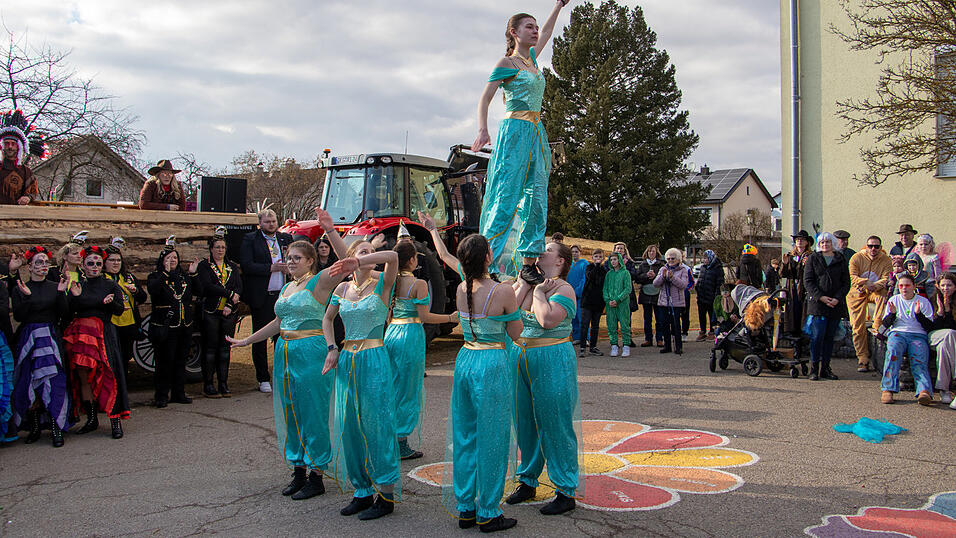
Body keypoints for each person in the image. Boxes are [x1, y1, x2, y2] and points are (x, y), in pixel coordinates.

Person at [228, 231, 351, 502]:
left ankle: (316, 474)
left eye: (297, 258)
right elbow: (277, 322)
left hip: (310, 351)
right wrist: (248, 339)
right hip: (285, 352)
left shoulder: (318, 282)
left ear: (310, 261)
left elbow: (349, 262)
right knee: (291, 411)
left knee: (312, 412)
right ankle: (298, 469)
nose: (291, 261)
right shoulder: (287, 287)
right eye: (288, 257)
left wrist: (330, 230)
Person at [471, 2, 571, 283]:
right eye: (529, 27)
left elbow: (549, 32)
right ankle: (485, 261)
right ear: (514, 32)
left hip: (537, 132)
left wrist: (558, 5)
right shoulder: (507, 64)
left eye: (536, 27)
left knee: (536, 197)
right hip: (514, 131)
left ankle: (528, 261)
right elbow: (485, 98)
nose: (536, 31)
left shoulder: (532, 61)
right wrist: (482, 129)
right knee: (506, 195)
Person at [438, 233, 522, 532]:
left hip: (466, 359)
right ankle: (488, 510)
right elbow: (516, 332)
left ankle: (466, 508)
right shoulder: (502, 290)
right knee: (493, 436)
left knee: (465, 434)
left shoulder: (462, 287)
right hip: (491, 362)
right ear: (487, 257)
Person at [322, 240, 401, 521]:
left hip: (374, 358)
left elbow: (393, 256)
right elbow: (327, 319)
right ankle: (362, 490)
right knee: (349, 425)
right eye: (363, 251)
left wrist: (363, 259)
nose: (369, 255)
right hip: (347, 360)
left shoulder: (383, 285)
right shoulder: (342, 289)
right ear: (351, 256)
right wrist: (332, 348)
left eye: (371, 251)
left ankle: (386, 495)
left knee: (377, 424)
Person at [507, 241, 579, 515]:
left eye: (548, 249)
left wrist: (537, 292)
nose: (541, 251)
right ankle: (527, 480)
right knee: (523, 421)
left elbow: (547, 319)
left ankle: (565, 488)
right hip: (520, 357)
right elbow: (508, 311)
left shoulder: (564, 289)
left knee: (555, 422)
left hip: (551, 357)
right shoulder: (530, 282)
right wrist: (525, 282)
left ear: (560, 261)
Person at [385, 241, 458, 461]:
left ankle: (389, 436)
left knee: (393, 385)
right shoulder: (418, 284)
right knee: (408, 388)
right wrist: (450, 318)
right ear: (411, 260)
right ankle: (401, 441)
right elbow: (425, 316)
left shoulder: (391, 282)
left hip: (392, 332)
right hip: (409, 335)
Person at [63, 245, 128, 439]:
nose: (94, 266)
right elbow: (68, 311)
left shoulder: (110, 285)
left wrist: (110, 303)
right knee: (84, 377)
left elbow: (119, 310)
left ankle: (115, 421)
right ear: (83, 265)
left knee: (110, 374)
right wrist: (73, 297)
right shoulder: (78, 285)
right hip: (82, 335)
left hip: (103, 333)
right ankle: (91, 419)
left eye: (98, 263)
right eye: (90, 263)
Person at [10, 246, 71, 447]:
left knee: (54, 381)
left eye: (46, 262)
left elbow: (65, 314)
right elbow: (19, 316)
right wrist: (27, 297)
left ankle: (55, 426)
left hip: (51, 338)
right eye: (38, 262)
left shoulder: (55, 286)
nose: (43, 266)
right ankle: (34, 425)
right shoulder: (21, 287)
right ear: (30, 266)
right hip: (30, 338)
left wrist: (62, 294)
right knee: (30, 380)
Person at [240, 209, 294, 393]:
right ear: (260, 223)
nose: (271, 224)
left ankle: (282, 375)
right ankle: (263, 378)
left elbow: (296, 260)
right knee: (261, 337)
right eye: (267, 221)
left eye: (274, 221)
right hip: (263, 296)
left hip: (283, 295)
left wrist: (291, 269)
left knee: (283, 337)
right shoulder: (251, 239)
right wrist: (271, 267)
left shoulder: (285, 239)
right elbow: (247, 265)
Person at [147, 241, 198, 408]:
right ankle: (161, 395)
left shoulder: (184, 277)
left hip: (184, 325)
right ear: (162, 260)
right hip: (165, 326)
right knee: (164, 362)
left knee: (180, 360)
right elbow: (153, 291)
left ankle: (179, 392)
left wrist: (193, 274)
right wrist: (165, 273)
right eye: (169, 258)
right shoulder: (155, 277)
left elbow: (198, 291)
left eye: (175, 258)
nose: (172, 260)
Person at [196, 227, 243, 398]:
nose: (220, 250)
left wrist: (230, 302)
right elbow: (208, 286)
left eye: (223, 247)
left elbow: (238, 287)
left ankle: (224, 383)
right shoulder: (205, 266)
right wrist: (228, 293)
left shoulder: (231, 266)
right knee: (210, 349)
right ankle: (208, 383)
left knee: (225, 349)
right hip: (211, 311)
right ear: (211, 249)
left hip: (228, 313)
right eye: (217, 247)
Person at [879, 273, 935, 405]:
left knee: (919, 357)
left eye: (907, 285)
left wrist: (918, 314)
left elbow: (929, 326)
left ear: (914, 286)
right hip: (898, 333)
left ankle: (924, 391)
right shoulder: (894, 300)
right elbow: (886, 323)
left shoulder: (923, 302)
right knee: (893, 352)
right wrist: (892, 314)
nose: (904, 288)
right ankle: (888, 389)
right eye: (901, 285)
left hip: (918, 334)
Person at [803, 233, 850, 381]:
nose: (825, 245)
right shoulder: (813, 258)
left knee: (830, 338)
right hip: (818, 305)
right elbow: (808, 281)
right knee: (817, 337)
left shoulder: (840, 259)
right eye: (822, 242)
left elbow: (846, 282)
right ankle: (814, 368)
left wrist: (837, 298)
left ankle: (825, 368)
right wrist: (821, 297)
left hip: (835, 305)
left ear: (833, 243)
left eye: (828, 242)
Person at [847, 235, 893, 372]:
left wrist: (874, 285)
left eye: (876, 246)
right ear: (866, 246)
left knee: (883, 295)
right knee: (857, 326)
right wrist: (865, 283)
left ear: (881, 248)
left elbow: (886, 278)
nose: (873, 249)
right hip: (857, 292)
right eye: (870, 246)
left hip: (875, 290)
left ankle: (878, 322)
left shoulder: (886, 260)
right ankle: (862, 358)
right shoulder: (856, 258)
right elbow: (852, 276)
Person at [103, 239, 147, 375]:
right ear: (105, 262)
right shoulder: (102, 279)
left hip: (128, 324)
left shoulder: (128, 278)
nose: (116, 263)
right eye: (112, 260)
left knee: (124, 358)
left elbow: (143, 298)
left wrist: (136, 291)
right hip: (111, 323)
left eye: (118, 260)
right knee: (111, 359)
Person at [0, 110, 43, 205]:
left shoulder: (25, 172)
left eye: (13, 144)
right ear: (2, 146)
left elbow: (33, 192)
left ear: (19, 147)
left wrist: (27, 197)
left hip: (14, 216)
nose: (10, 147)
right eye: (6, 144)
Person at [653, 248, 690, 355]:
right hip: (664, 302)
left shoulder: (683, 270)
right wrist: (662, 277)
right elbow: (655, 284)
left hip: (676, 302)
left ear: (678, 259)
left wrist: (672, 277)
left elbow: (683, 285)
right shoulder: (663, 269)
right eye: (668, 258)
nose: (670, 261)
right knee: (664, 324)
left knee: (676, 325)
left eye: (673, 258)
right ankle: (667, 345)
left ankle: (678, 346)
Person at [930, 273, 956, 407]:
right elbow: (930, 327)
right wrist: (940, 312)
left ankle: (944, 390)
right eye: (943, 285)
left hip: (950, 340)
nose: (946, 288)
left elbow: (953, 327)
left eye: (949, 285)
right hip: (934, 336)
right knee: (949, 335)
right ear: (938, 286)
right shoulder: (932, 300)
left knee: (944, 346)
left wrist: (948, 310)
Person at [780, 231, 813, 335]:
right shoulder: (790, 256)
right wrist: (784, 264)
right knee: (792, 313)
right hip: (792, 288)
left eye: (802, 239)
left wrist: (807, 264)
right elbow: (783, 274)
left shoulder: (811, 256)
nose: (799, 241)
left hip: (804, 288)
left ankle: (803, 337)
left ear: (807, 242)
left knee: (803, 312)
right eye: (797, 239)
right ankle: (793, 336)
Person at [603, 251, 632, 357]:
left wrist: (618, 299)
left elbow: (628, 288)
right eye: (611, 260)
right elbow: (605, 289)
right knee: (611, 325)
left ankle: (626, 346)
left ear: (619, 260)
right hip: (610, 305)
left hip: (622, 304)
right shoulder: (609, 274)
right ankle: (614, 345)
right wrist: (608, 300)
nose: (613, 261)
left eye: (615, 259)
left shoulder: (625, 273)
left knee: (625, 325)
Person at [636, 244, 665, 347]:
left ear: (656, 253)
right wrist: (646, 275)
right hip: (646, 293)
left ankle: (659, 338)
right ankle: (648, 338)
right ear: (646, 253)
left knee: (659, 318)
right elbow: (637, 278)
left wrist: (655, 277)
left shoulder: (661, 265)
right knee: (647, 318)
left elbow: (663, 278)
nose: (651, 253)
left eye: (653, 251)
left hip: (657, 293)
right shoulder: (642, 265)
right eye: (649, 251)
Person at [580, 249, 606, 357]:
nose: (598, 258)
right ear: (593, 258)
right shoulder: (589, 267)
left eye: (600, 257)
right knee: (585, 324)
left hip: (598, 302)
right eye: (596, 257)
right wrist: (596, 266)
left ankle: (593, 347)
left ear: (603, 258)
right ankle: (582, 347)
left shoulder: (604, 271)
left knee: (595, 326)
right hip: (587, 301)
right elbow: (590, 277)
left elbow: (600, 282)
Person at [695, 250, 724, 341]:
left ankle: (712, 331)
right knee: (701, 315)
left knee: (712, 315)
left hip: (711, 297)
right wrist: (698, 289)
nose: (704, 260)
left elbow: (719, 284)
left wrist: (717, 296)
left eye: (706, 258)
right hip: (701, 296)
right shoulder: (703, 268)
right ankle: (702, 331)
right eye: (703, 258)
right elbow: (699, 280)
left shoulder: (717, 268)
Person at [566, 245, 588, 344]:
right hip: (569, 295)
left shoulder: (584, 264)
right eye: (573, 252)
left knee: (582, 317)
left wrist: (577, 291)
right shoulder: (568, 265)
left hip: (581, 295)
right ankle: (576, 337)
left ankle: (585, 338)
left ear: (580, 252)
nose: (574, 253)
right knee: (573, 317)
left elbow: (584, 279)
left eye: (576, 251)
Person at [914, 234, 943, 301]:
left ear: (931, 245)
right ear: (918, 246)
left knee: (931, 299)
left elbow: (938, 272)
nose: (923, 246)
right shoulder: (916, 256)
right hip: (917, 283)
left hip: (930, 283)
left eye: (926, 244)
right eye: (921, 244)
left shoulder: (934, 257)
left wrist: (938, 283)